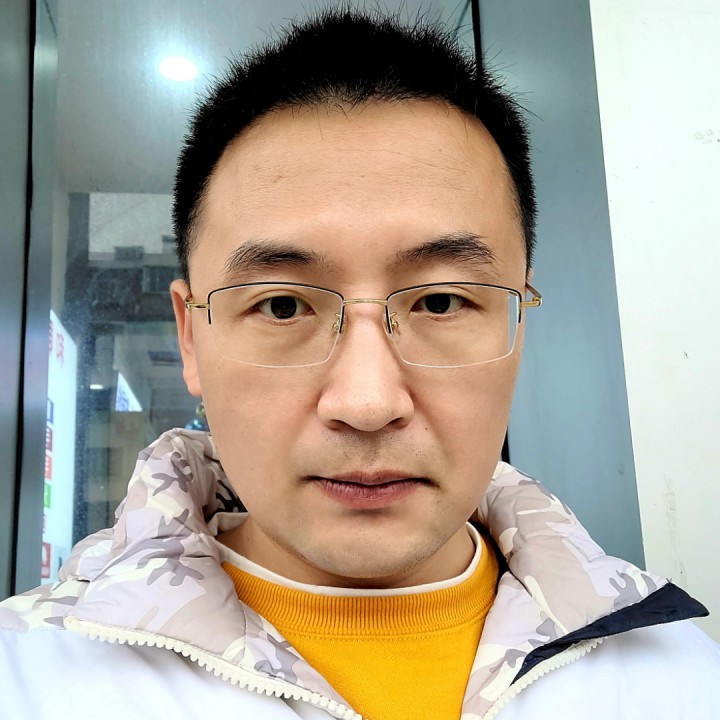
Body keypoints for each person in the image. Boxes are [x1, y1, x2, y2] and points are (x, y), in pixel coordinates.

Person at [1, 8, 718, 720]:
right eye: (283, 305)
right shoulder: (30, 677)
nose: (368, 402)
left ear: (518, 320)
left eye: (440, 301)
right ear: (191, 337)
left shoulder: (678, 676)